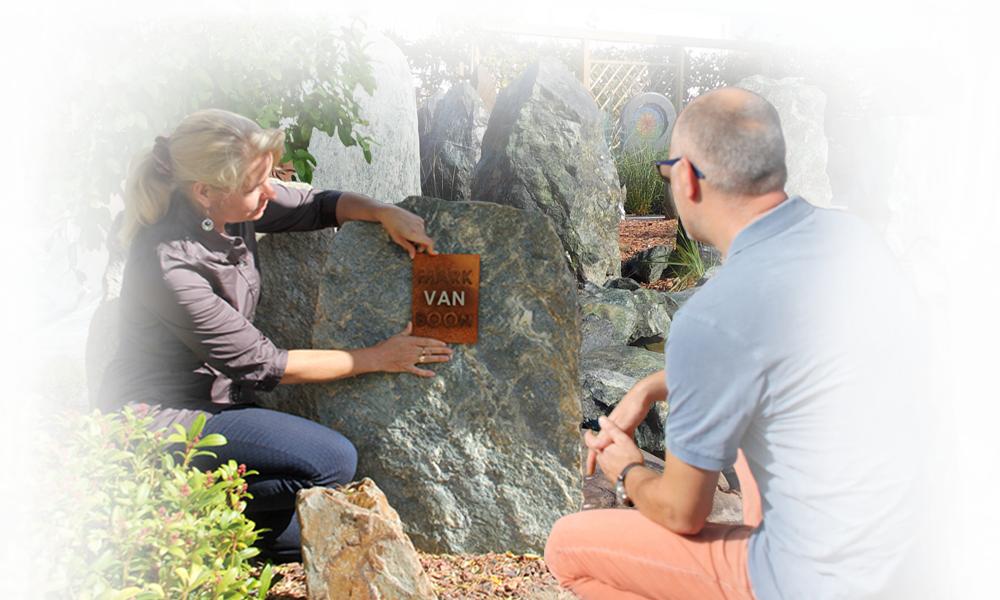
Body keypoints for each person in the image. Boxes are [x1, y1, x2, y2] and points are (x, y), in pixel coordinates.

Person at [544, 88, 968, 599]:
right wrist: (654, 385)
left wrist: (627, 466)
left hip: (838, 586)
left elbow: (683, 513)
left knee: (568, 547)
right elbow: (789, 357)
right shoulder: (857, 238)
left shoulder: (714, 314)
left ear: (687, 178)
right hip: (930, 564)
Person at [95, 108, 454, 563]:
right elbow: (263, 363)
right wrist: (380, 356)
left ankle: (201, 529)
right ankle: (174, 507)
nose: (272, 190)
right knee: (331, 462)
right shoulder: (167, 263)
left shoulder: (231, 209)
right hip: (161, 415)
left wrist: (384, 212)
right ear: (205, 191)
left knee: (306, 535)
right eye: (256, 184)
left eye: (270, 177)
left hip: (220, 401)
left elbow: (319, 204)